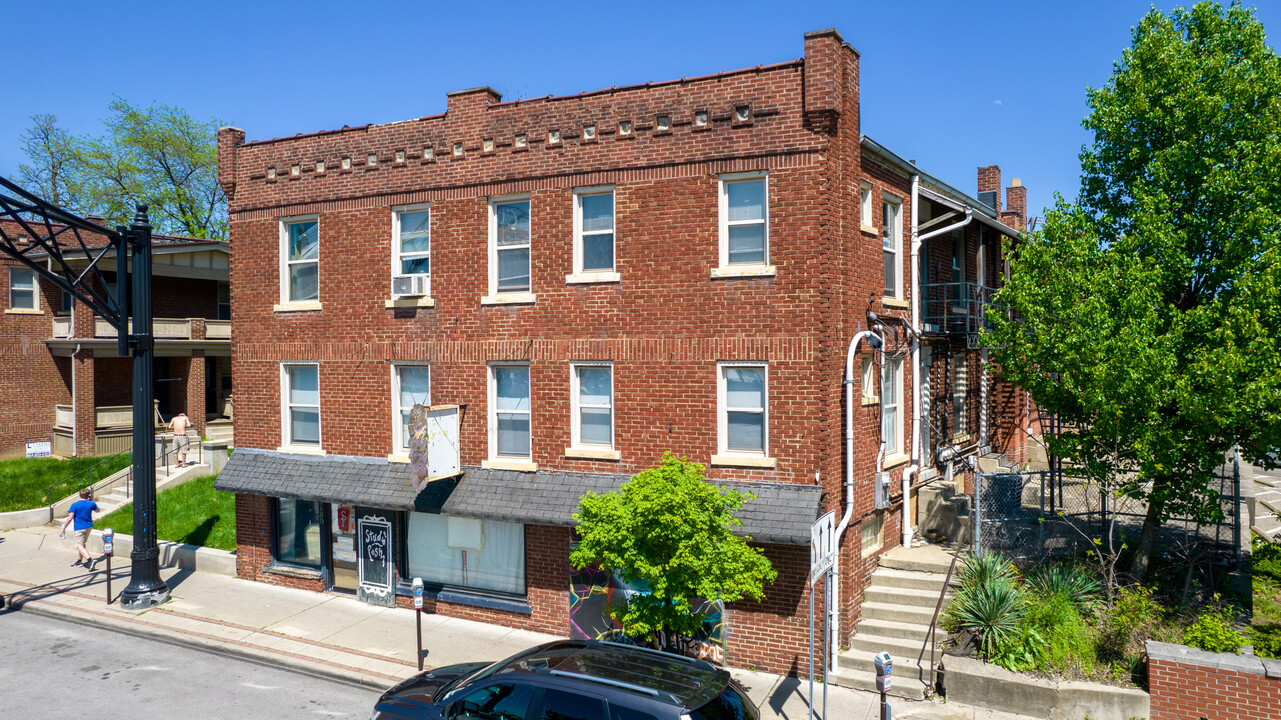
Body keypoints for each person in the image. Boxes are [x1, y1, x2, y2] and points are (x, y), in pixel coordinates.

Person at [60, 488, 100, 570]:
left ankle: (90, 561)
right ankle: (79, 561)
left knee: (78, 545)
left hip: (79, 528)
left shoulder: (74, 505)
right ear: (88, 495)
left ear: (80, 495)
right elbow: (98, 510)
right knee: (82, 544)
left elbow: (69, 518)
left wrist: (63, 528)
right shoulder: (91, 503)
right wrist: (92, 501)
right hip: (89, 526)